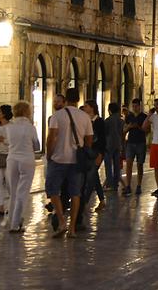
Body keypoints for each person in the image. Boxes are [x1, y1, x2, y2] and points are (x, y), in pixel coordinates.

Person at [45, 90, 93, 238]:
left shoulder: (57, 116)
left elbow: (51, 137)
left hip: (58, 159)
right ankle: (72, 228)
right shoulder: (85, 117)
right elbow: (89, 139)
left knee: (53, 190)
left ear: (65, 99)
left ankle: (61, 221)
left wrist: (49, 155)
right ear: (79, 99)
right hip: (76, 161)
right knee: (75, 193)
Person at [3, 100, 39, 233]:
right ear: (26, 112)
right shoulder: (30, 127)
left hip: (12, 159)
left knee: (13, 192)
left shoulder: (9, 127)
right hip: (27, 160)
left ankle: (11, 220)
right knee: (22, 192)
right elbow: (37, 146)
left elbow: (8, 142)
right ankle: (16, 223)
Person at [82, 100, 106, 211]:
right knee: (94, 176)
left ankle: (84, 202)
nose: (84, 108)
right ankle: (102, 200)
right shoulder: (86, 121)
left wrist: (100, 154)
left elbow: (102, 140)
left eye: (86, 106)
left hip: (96, 152)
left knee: (91, 176)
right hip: (88, 152)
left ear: (92, 108)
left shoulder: (100, 122)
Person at [122, 98, 147, 196]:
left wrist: (139, 127)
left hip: (141, 142)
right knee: (128, 164)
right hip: (130, 143)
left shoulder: (144, 116)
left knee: (140, 165)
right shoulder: (129, 116)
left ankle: (139, 185)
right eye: (133, 106)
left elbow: (147, 130)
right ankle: (128, 185)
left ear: (140, 106)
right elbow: (124, 129)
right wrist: (129, 127)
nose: (134, 108)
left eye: (136, 106)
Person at [103, 102, 123, 191]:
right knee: (117, 165)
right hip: (118, 143)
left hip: (108, 144)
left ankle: (109, 184)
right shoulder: (121, 120)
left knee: (108, 165)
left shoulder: (108, 120)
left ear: (110, 110)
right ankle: (116, 183)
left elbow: (104, 132)